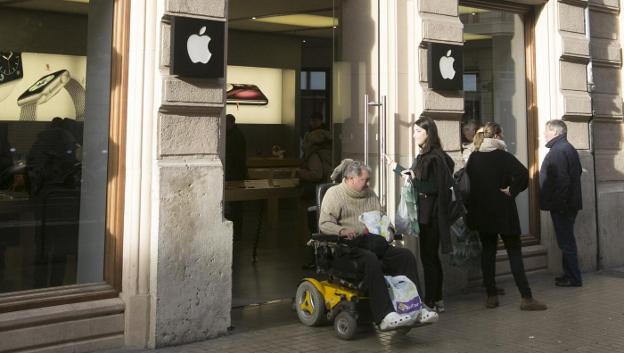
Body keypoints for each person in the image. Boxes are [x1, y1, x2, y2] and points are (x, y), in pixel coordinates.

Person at [319, 159, 438, 330]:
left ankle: (416, 307)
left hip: (372, 243)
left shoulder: (370, 194)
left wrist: (388, 229)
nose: (368, 183)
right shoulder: (334, 194)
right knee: (370, 259)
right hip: (346, 248)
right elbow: (324, 224)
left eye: (369, 180)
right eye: (365, 180)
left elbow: (381, 217)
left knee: (405, 256)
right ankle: (385, 315)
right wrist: (342, 230)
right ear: (351, 178)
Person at [466, 122, 547, 310]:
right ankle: (526, 298)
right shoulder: (503, 156)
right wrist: (512, 190)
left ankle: (491, 296)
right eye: (501, 134)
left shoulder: (474, 158)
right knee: (514, 253)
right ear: (497, 136)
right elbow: (523, 175)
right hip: (504, 212)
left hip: (482, 213)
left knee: (487, 253)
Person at [385, 117, 454, 313]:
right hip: (427, 214)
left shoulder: (434, 157)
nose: (414, 134)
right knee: (430, 258)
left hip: (431, 216)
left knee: (429, 258)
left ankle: (432, 301)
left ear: (428, 134)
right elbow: (415, 177)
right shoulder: (426, 155)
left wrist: (413, 181)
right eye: (414, 131)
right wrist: (396, 167)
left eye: (418, 131)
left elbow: (432, 187)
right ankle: (436, 299)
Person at [540, 119, 583, 287]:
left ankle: (573, 277)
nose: (544, 134)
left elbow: (562, 181)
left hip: (563, 206)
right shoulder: (567, 148)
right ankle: (569, 275)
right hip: (568, 204)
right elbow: (576, 172)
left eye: (546, 131)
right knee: (566, 241)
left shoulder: (558, 150)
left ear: (555, 133)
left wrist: (560, 205)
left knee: (566, 242)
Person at [298, 112, 332, 200]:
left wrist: (300, 172)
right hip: (328, 187)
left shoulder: (314, 154)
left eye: (315, 120)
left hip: (318, 189)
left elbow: (316, 175)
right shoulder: (328, 145)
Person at [224, 114, 247, 240]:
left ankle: (235, 232)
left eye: (226, 123)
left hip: (234, 175)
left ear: (231, 123)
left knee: (235, 205)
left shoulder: (234, 137)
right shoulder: (237, 135)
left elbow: (233, 158)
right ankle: (236, 231)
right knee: (236, 204)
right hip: (237, 174)